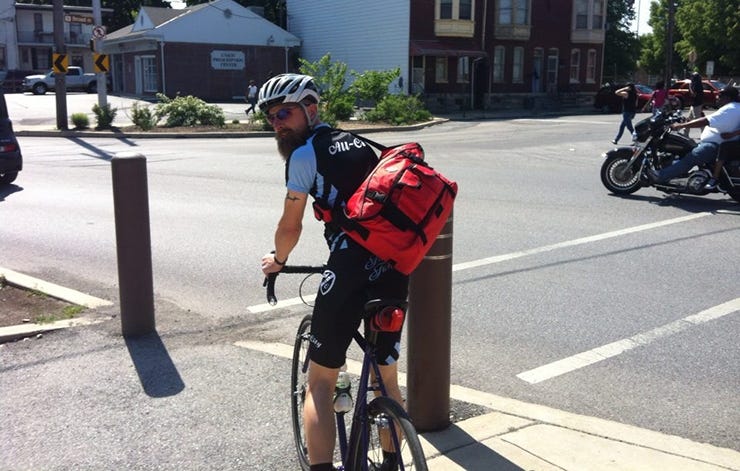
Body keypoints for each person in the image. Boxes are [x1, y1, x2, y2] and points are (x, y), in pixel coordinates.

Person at [258, 73, 409, 471]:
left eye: (285, 113)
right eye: (271, 117)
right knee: (386, 379)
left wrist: (279, 260)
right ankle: (392, 463)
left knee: (320, 383)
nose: (278, 123)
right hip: (393, 270)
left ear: (311, 108)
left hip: (350, 271)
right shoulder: (364, 144)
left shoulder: (304, 155)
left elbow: (290, 225)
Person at [647, 86, 740, 185]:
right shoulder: (735, 107)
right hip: (718, 143)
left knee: (691, 158)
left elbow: (705, 121)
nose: (717, 97)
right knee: (685, 148)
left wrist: (681, 125)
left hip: (714, 146)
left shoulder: (730, 108)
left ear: (728, 98)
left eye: (720, 95)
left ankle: (661, 176)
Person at [684, 72, 705, 138]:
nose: (691, 78)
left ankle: (704, 133)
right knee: (688, 119)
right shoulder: (695, 84)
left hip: (697, 105)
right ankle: (685, 134)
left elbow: (694, 94)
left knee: (698, 120)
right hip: (694, 104)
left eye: (692, 77)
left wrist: (689, 87)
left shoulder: (697, 85)